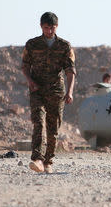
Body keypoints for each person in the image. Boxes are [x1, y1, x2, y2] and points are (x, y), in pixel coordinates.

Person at [21, 12, 76, 174]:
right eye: (46, 28)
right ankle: (37, 158)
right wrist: (30, 81)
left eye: (52, 28)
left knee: (53, 127)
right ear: (41, 26)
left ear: (56, 27)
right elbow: (25, 66)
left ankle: (48, 160)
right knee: (38, 121)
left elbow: (70, 71)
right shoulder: (32, 44)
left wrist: (70, 91)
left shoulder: (65, 46)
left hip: (56, 90)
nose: (49, 31)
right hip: (37, 89)